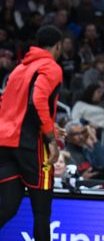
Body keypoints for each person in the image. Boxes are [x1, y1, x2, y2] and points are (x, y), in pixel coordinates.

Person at [0, 26, 63, 241]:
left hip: (5, 145)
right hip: (32, 145)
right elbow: (37, 102)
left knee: (7, 208)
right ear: (58, 46)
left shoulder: (19, 69)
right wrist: (51, 139)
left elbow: (7, 106)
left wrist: (52, 127)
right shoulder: (51, 67)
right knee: (42, 213)